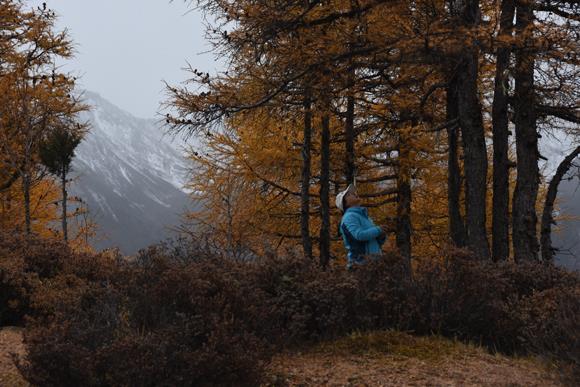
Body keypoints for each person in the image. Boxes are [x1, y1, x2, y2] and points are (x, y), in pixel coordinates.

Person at [336, 184, 386, 269]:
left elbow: (375, 241)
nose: (354, 193)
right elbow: (359, 235)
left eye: (352, 192)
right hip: (359, 265)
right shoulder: (349, 217)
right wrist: (378, 230)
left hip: (373, 265)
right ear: (346, 203)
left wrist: (381, 236)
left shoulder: (366, 218)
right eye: (349, 195)